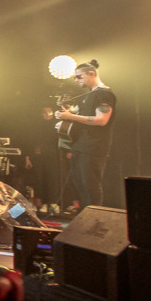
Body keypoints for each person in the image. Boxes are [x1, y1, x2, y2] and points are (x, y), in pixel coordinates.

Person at [52, 60, 116, 208]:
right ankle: (85, 218)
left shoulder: (104, 94)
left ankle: (94, 221)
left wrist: (70, 117)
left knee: (90, 186)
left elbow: (101, 120)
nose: (76, 80)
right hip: (80, 145)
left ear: (91, 74)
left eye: (79, 77)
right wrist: (64, 114)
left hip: (94, 147)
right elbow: (75, 113)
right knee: (80, 185)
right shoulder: (87, 96)